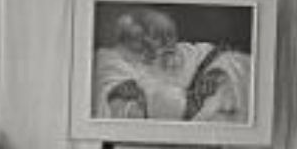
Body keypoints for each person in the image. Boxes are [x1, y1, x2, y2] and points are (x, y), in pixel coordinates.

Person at [93, 8, 251, 123]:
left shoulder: (182, 52)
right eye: (155, 38)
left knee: (230, 70)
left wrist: (214, 74)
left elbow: (216, 55)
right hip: (180, 110)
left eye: (169, 37)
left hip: (216, 89)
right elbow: (158, 103)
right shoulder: (118, 64)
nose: (166, 45)